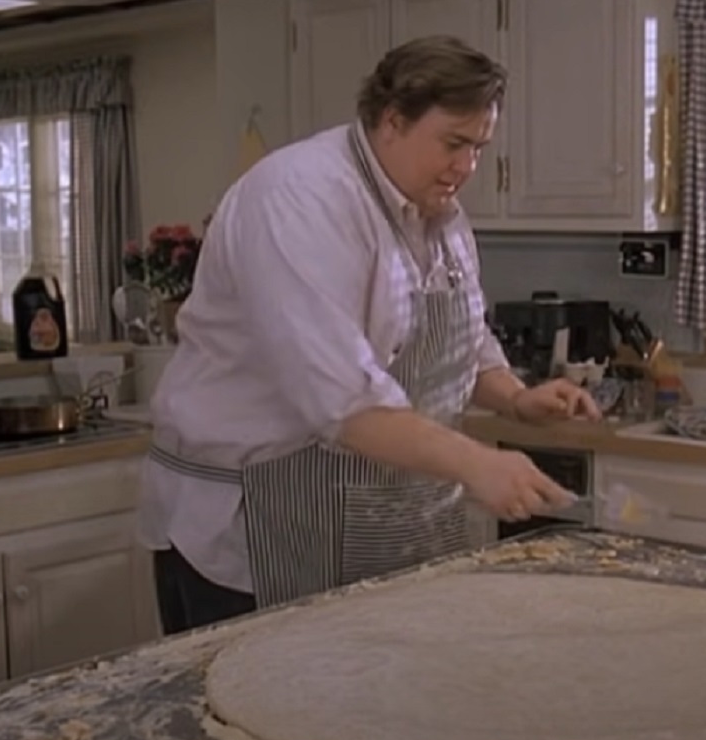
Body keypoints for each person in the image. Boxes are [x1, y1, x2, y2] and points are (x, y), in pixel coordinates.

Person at [138, 35, 601, 635]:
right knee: (257, 717)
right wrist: (477, 462)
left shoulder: (439, 211)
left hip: (382, 519)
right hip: (260, 524)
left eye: (480, 148)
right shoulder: (301, 200)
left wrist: (514, 396)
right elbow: (343, 401)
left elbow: (458, 339)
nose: (467, 167)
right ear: (391, 120)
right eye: (455, 143)